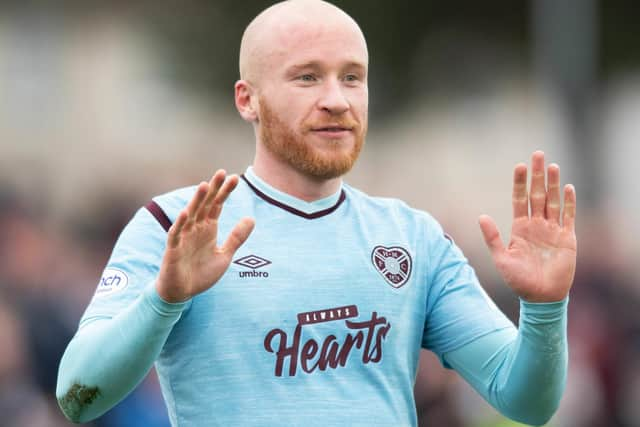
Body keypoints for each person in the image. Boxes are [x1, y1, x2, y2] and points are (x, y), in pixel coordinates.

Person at [56, 1, 577, 426]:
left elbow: (526, 400)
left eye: (353, 78)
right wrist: (165, 300)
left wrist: (546, 308)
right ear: (247, 99)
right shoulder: (179, 225)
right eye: (307, 78)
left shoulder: (413, 238)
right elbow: (78, 396)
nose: (336, 100)